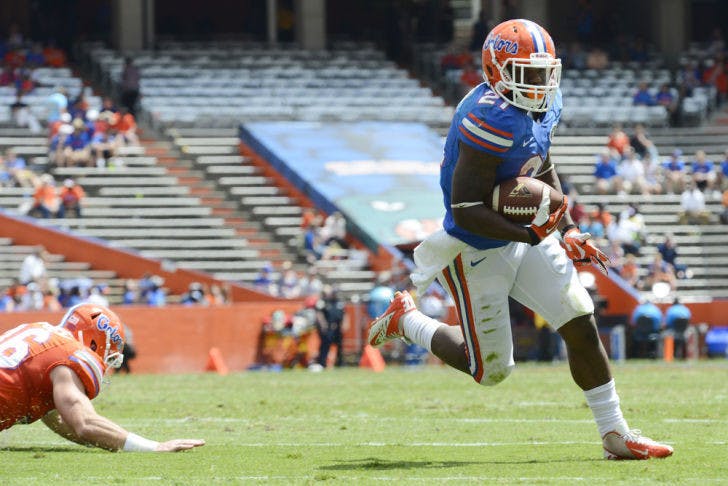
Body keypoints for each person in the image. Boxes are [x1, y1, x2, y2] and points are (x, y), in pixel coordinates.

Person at [367, 19, 672, 461]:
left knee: (579, 317)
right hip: (474, 242)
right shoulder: (485, 115)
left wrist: (563, 227)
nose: (539, 84)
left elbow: (539, 163)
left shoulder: (542, 105)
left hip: (522, 231)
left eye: (544, 73)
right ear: (495, 70)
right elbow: (466, 209)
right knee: (491, 370)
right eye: (526, 74)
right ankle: (407, 322)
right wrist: (532, 232)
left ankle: (615, 434)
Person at [0, 303, 204, 452]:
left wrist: (107, 440)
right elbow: (85, 423)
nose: (104, 364)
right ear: (95, 343)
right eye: (108, 356)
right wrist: (155, 447)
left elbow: (59, 418)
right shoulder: (69, 354)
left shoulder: (38, 330)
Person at [315, 284, 347, 368]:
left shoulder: (339, 302)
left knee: (340, 346)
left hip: (337, 327)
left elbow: (344, 314)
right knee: (325, 345)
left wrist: (344, 324)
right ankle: (322, 362)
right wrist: (323, 324)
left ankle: (340, 363)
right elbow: (319, 313)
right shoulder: (324, 301)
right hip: (328, 327)